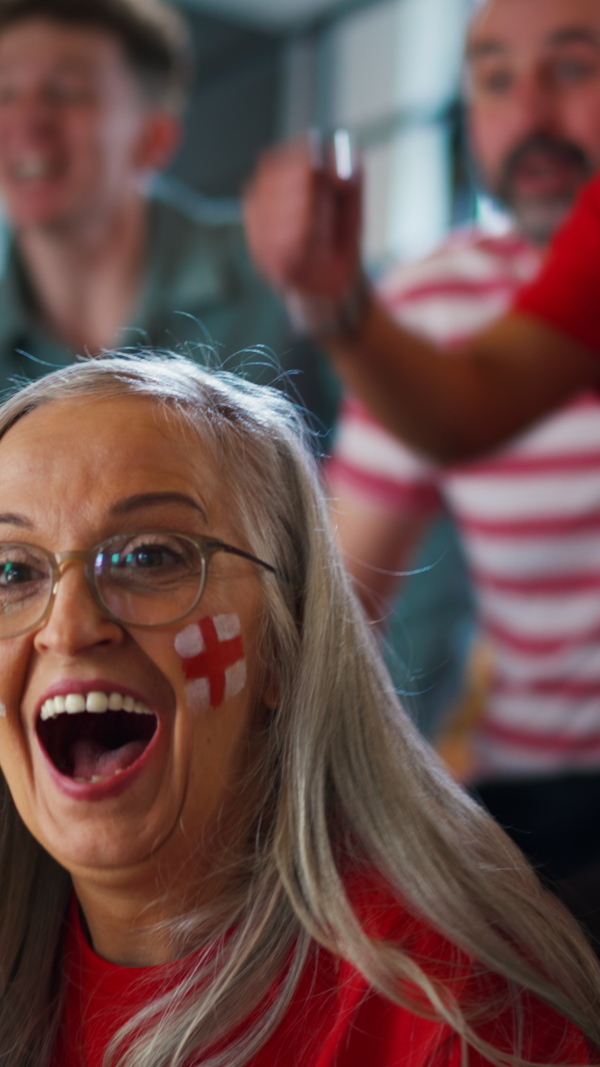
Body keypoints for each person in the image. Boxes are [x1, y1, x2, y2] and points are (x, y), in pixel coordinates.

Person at [0, 351, 598, 1067]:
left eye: (150, 556)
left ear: (286, 645)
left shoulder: (455, 1021)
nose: (66, 626)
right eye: (11, 570)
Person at [243, 0, 600, 917]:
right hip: (543, 800)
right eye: (493, 78)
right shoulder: (434, 301)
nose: (530, 112)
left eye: (573, 67)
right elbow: (344, 596)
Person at [0, 0, 290, 389]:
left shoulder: (275, 270)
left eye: (67, 92)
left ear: (153, 140)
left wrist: (341, 311)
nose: (27, 119)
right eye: (4, 93)